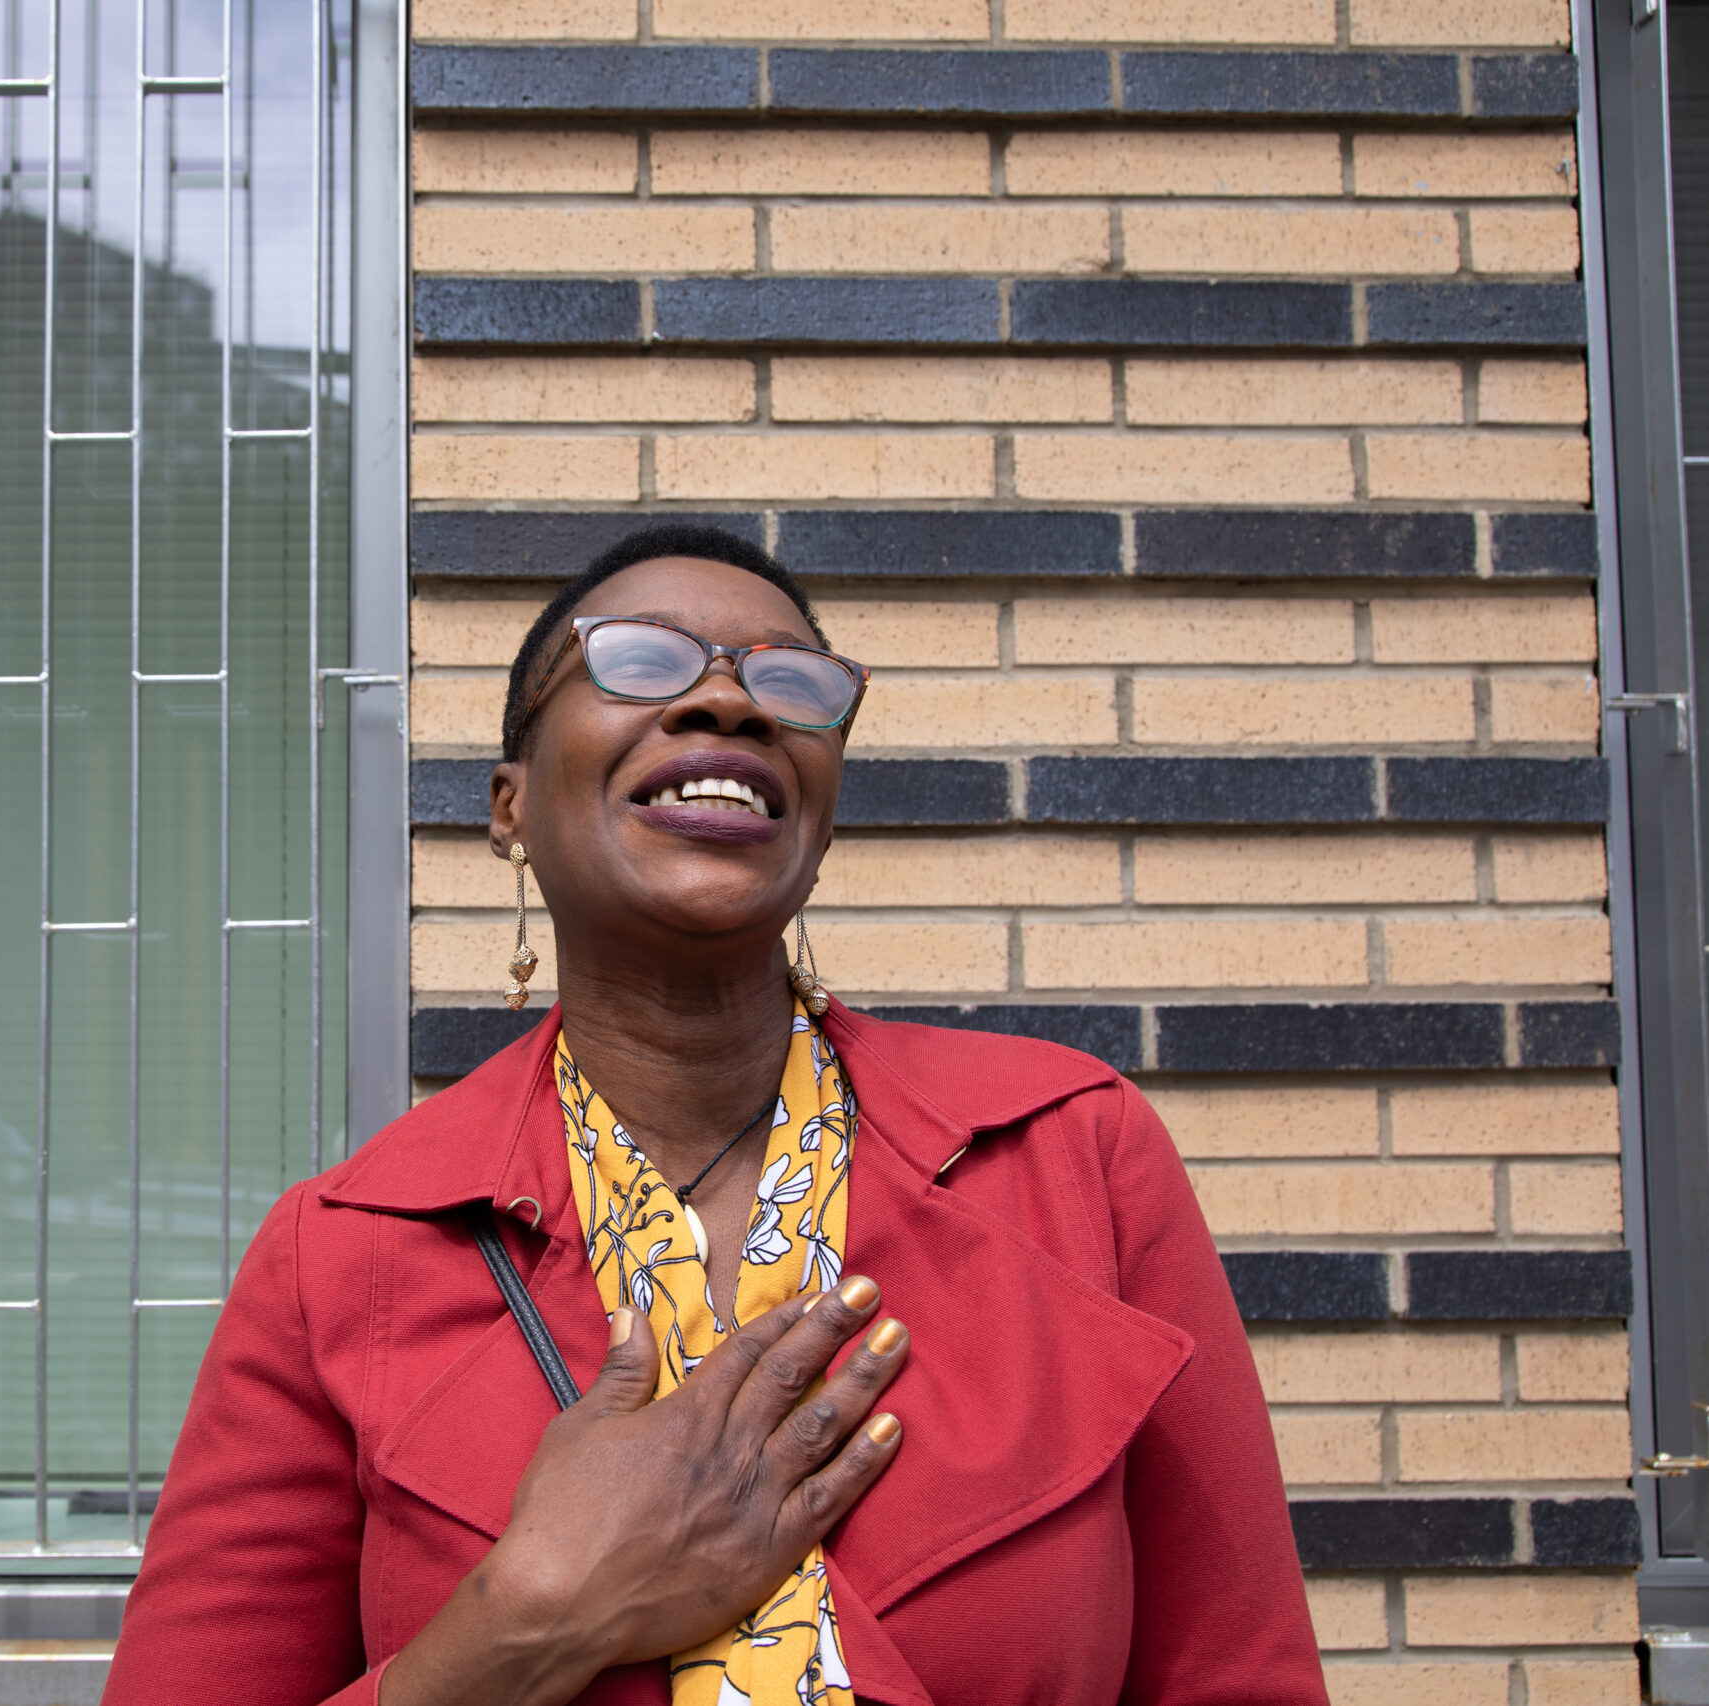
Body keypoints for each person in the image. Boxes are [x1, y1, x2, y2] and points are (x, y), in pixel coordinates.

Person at [103, 523, 1327, 1706]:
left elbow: (1241, 1674)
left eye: (791, 685)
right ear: (508, 805)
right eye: (639, 659)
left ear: (825, 809)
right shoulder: (343, 1253)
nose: (732, 705)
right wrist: (526, 1618)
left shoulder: (1072, 1152)